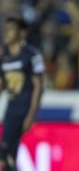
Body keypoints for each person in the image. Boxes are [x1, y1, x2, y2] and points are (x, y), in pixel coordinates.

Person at [0, 17, 45, 171]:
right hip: (11, 105)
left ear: (21, 33)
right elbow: (3, 83)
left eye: (10, 30)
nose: (6, 33)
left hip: (23, 106)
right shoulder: (3, 55)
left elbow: (38, 86)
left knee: (6, 147)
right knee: (9, 151)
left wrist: (31, 115)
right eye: (5, 30)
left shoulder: (31, 55)